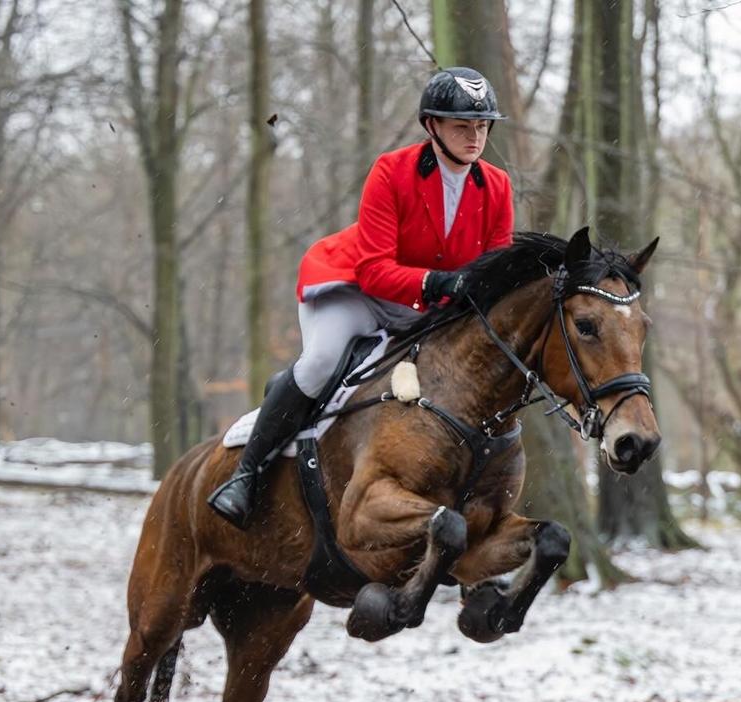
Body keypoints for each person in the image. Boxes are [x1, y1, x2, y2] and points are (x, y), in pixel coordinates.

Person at [208, 67, 515, 529]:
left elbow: (495, 267)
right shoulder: (392, 171)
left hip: (430, 309)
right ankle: (247, 476)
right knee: (320, 362)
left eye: (482, 126)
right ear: (432, 126)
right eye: (462, 126)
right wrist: (438, 284)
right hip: (354, 289)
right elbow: (373, 270)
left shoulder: (496, 186)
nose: (475, 137)